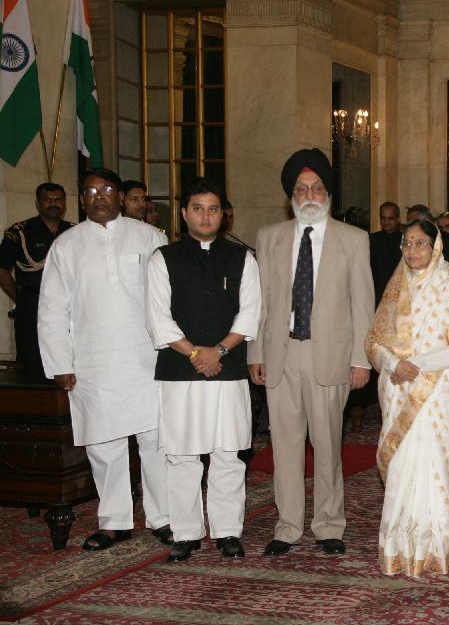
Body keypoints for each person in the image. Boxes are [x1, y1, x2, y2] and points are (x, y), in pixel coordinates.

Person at [249, 148, 374, 558]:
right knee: (284, 447)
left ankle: (328, 524)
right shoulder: (269, 237)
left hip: (331, 357)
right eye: (301, 189)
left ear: (328, 194)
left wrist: (361, 359)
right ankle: (287, 527)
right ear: (291, 196)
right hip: (281, 354)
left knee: (327, 445)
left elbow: (363, 304)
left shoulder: (353, 240)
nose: (309, 196)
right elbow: (260, 302)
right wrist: (255, 352)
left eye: (317, 188)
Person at [37, 168, 170, 550]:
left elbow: (168, 299)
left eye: (107, 189)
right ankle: (114, 522)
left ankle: (163, 518)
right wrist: (60, 363)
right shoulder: (66, 245)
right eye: (90, 191)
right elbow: (52, 309)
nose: (99, 196)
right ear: (82, 199)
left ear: (120, 195)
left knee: (156, 442)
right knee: (104, 446)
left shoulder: (150, 237)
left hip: (147, 358)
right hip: (93, 362)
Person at [146, 181, 261, 562]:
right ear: (184, 213)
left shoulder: (243, 258)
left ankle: (227, 531)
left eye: (213, 209)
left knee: (228, 453)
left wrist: (219, 351)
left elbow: (250, 313)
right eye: (198, 208)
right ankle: (186, 532)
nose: (206, 216)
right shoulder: (163, 258)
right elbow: (158, 320)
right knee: (181, 455)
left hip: (228, 370)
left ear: (223, 215)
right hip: (180, 371)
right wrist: (196, 353)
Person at [366, 219, 449, 576]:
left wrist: (414, 365)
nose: (412, 250)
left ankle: (437, 545)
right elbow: (374, 342)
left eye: (420, 243)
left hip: (438, 392)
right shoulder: (394, 295)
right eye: (407, 243)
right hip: (398, 389)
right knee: (403, 463)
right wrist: (393, 364)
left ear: (435, 247)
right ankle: (398, 545)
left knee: (437, 463)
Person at [1, 182, 72, 381]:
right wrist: (21, 298)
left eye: (58, 200)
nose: (53, 204)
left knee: (67, 358)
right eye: (48, 200)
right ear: (37, 203)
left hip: (68, 307)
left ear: (64, 203)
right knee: (32, 362)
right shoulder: (20, 232)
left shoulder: (74, 232)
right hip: (32, 306)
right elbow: (2, 269)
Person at [370, 201, 403, 304]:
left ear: (398, 219)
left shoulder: (406, 240)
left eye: (390, 218)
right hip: (377, 293)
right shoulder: (371, 239)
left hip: (400, 293)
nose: (386, 222)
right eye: (383, 218)